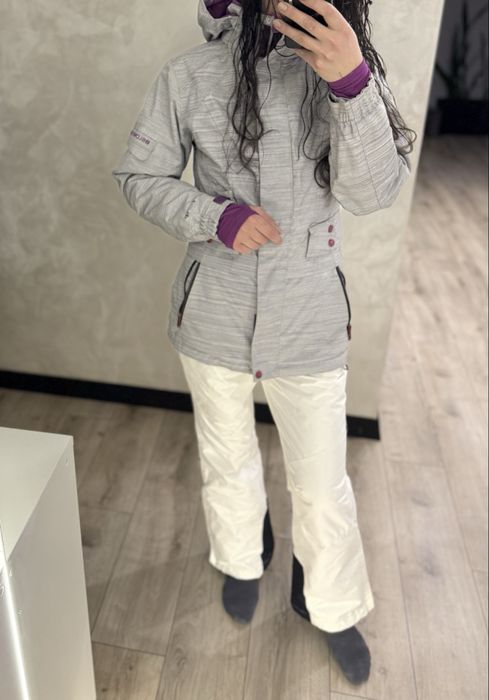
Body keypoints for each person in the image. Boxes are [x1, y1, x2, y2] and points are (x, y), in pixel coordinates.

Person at [111, 0, 415, 687]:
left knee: (321, 484)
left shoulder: (344, 67)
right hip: (212, 312)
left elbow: (372, 193)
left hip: (307, 315)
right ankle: (241, 560)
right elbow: (138, 175)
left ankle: (331, 604)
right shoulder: (189, 74)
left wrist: (350, 84)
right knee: (226, 456)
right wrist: (213, 215)